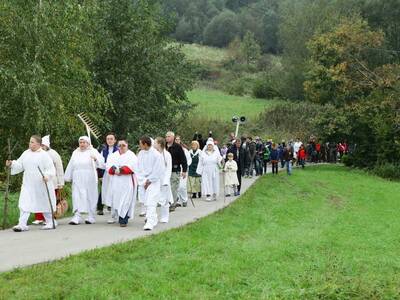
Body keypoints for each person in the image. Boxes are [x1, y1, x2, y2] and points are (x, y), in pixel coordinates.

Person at [6, 135, 57, 232]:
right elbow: (20, 165)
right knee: (25, 202)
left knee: (44, 202)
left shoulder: (44, 155)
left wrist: (47, 176)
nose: (30, 144)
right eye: (30, 142)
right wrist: (12, 164)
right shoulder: (26, 153)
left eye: (32, 142)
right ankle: (22, 224)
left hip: (41, 184)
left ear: (38, 144)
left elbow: (51, 169)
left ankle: (50, 221)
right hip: (28, 183)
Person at [64, 136, 104, 225]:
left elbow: (102, 164)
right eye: (80, 142)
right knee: (76, 196)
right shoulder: (75, 152)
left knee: (90, 196)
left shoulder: (93, 151)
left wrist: (96, 159)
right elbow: (71, 164)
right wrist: (67, 177)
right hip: (77, 177)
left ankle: (91, 216)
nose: (82, 144)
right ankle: (77, 216)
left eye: (84, 142)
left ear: (88, 143)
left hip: (90, 177)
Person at [32, 135, 64, 225]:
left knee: (50, 199)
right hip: (39, 181)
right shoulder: (37, 153)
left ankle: (50, 218)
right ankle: (39, 217)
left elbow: (59, 169)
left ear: (46, 145)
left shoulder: (54, 154)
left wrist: (60, 183)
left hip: (52, 181)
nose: (41, 147)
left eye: (43, 145)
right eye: (40, 145)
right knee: (39, 199)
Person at [106, 138, 138, 227]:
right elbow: (108, 166)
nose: (121, 147)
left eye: (123, 145)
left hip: (127, 181)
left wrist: (120, 170)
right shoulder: (113, 155)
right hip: (116, 181)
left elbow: (133, 167)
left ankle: (123, 219)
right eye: (119, 145)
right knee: (117, 200)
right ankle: (118, 215)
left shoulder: (131, 155)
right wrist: (114, 170)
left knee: (126, 200)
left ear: (127, 145)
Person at [136, 136, 165, 231]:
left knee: (151, 201)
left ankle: (149, 221)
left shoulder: (157, 155)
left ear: (145, 144)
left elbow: (158, 170)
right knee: (145, 202)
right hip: (143, 181)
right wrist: (143, 180)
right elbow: (138, 168)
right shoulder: (140, 153)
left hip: (153, 182)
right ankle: (154, 217)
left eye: (140, 144)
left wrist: (149, 180)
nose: (139, 145)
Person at [97, 133, 119, 215]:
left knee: (113, 189)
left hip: (115, 173)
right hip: (106, 173)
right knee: (104, 189)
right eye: (108, 139)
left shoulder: (118, 150)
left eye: (111, 139)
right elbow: (101, 163)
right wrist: (100, 175)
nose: (109, 140)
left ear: (115, 140)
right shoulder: (104, 150)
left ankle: (112, 206)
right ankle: (100, 207)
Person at [166, 131, 187, 211]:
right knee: (166, 187)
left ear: (173, 137)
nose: (167, 138)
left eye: (169, 136)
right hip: (165, 171)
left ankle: (173, 204)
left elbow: (183, 159)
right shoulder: (164, 146)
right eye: (166, 136)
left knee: (173, 187)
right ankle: (167, 202)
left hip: (175, 170)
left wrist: (184, 170)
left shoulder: (177, 147)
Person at [154, 137, 173, 223]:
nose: (153, 144)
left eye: (155, 143)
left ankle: (165, 216)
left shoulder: (167, 155)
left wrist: (165, 181)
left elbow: (169, 168)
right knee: (153, 198)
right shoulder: (154, 154)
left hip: (164, 179)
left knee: (165, 199)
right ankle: (152, 216)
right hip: (155, 179)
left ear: (160, 144)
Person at [175, 135, 192, 208]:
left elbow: (189, 160)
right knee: (176, 186)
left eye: (178, 140)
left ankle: (184, 200)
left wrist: (185, 166)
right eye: (176, 140)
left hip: (183, 170)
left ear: (180, 141)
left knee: (182, 186)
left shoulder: (185, 150)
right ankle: (177, 201)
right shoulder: (172, 149)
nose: (177, 141)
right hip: (175, 170)